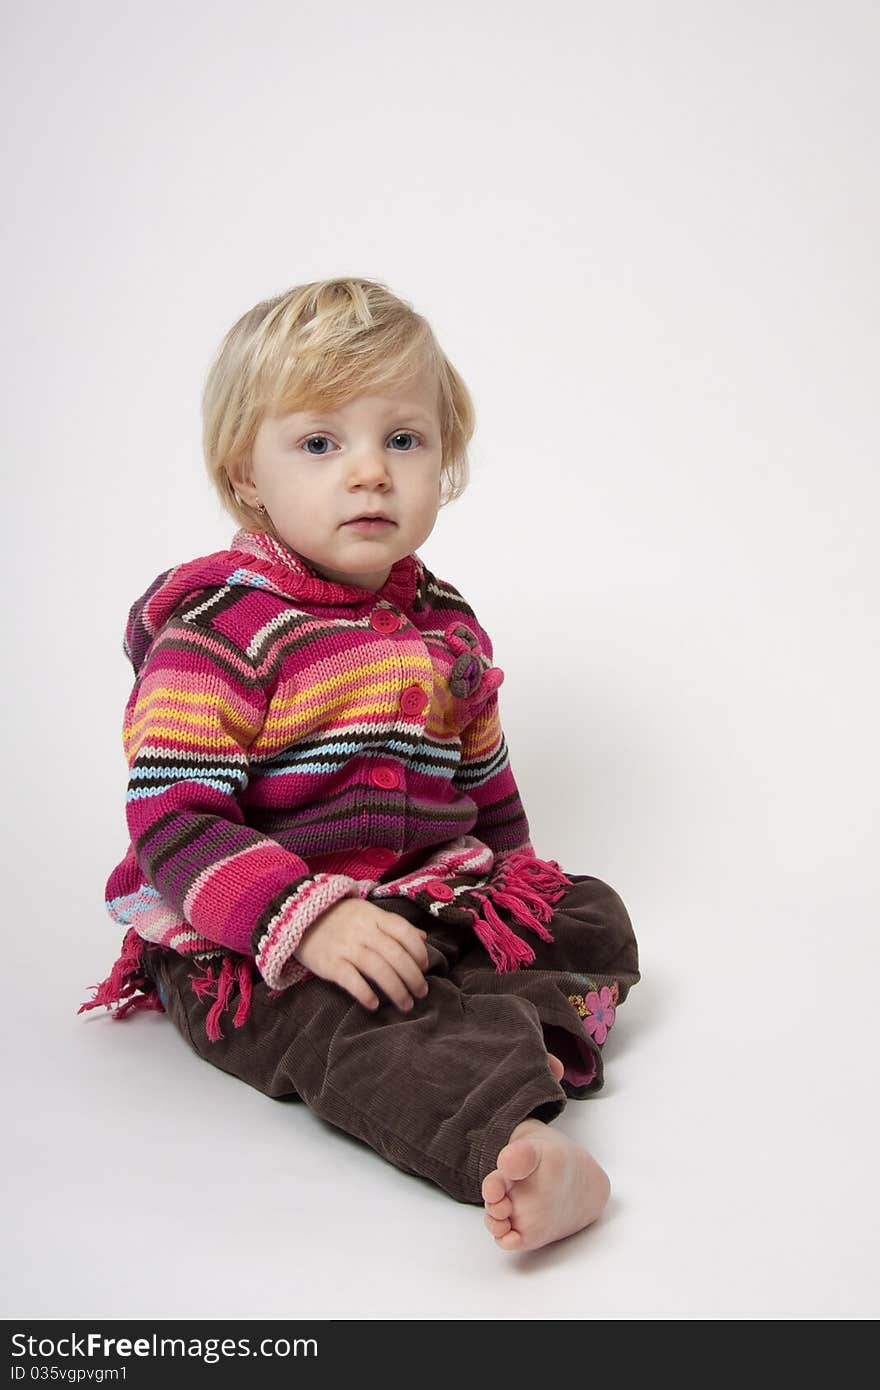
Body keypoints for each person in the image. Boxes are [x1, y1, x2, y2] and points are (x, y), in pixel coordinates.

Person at [79, 277, 640, 1251]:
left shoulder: (445, 620)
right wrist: (310, 919)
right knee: (352, 1024)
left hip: (415, 893)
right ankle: (510, 1140)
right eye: (320, 443)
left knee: (588, 911)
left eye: (404, 440)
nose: (371, 472)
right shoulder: (221, 633)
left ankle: (514, 1011)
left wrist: (516, 896)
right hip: (254, 935)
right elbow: (173, 821)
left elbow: (483, 781)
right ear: (245, 473)